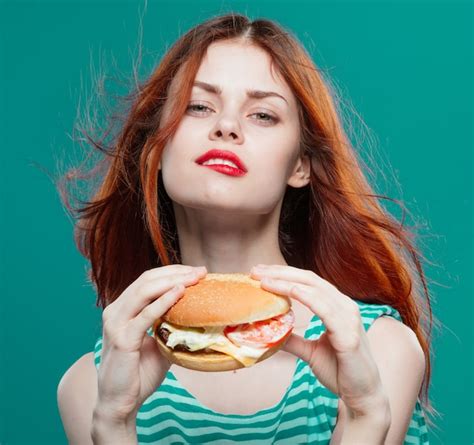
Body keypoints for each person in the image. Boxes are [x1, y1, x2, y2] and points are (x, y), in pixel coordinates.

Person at [56, 12, 437, 444]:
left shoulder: (377, 349)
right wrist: (114, 422)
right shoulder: (90, 387)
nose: (227, 126)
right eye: (198, 106)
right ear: (154, 149)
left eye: (263, 115)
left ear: (300, 165)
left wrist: (367, 415)